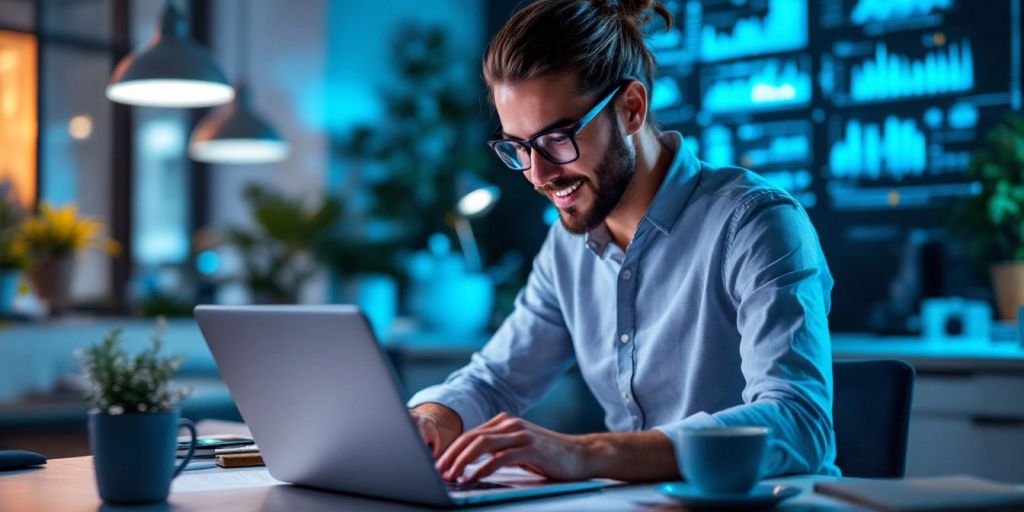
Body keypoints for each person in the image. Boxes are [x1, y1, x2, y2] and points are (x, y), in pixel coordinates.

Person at [409, 0, 838, 483]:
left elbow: (799, 423)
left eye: (557, 139)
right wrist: (428, 420)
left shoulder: (755, 222)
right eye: (520, 148)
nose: (538, 174)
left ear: (631, 108)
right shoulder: (567, 247)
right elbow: (496, 379)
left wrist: (586, 453)